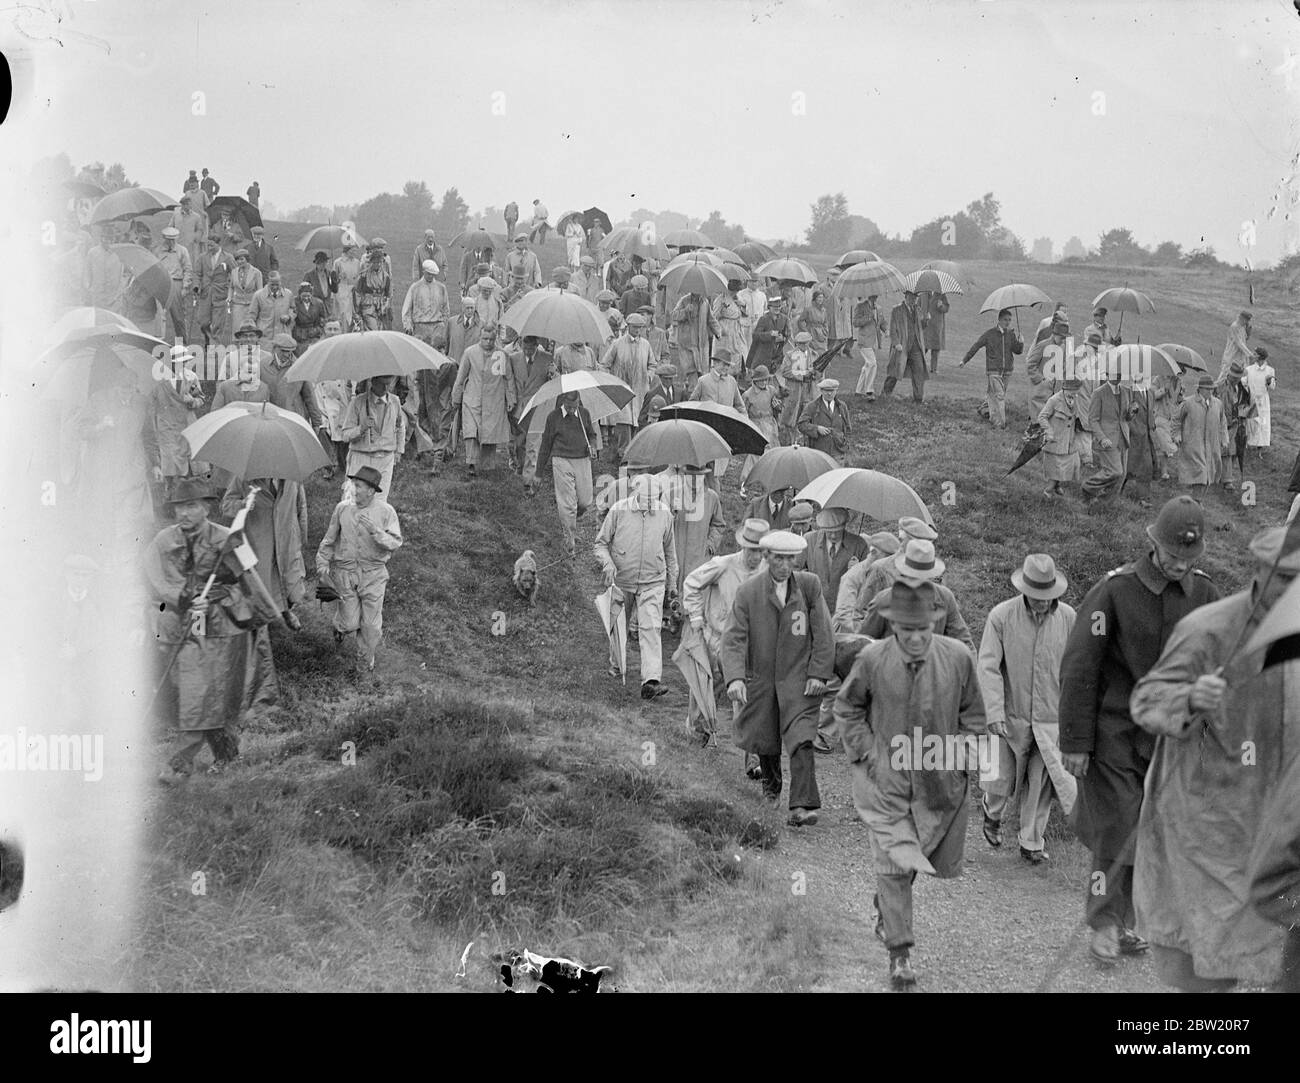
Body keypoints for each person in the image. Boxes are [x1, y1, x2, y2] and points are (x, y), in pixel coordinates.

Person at [1129, 524, 1299, 991]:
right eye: (1286, 579)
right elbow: (1148, 699)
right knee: (1207, 974)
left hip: (1280, 835)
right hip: (1208, 835)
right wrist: (1187, 697)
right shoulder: (1208, 630)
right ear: (1261, 575)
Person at [1058, 495, 1221, 966]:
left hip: (1172, 742)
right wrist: (1074, 742)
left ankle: (1124, 921)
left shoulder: (1206, 595)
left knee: (1149, 833)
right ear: (1152, 544)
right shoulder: (1113, 592)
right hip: (1114, 734)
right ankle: (1104, 924)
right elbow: (1079, 669)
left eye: (1187, 558)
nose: (1177, 565)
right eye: (1171, 554)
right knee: (1119, 828)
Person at [834, 580, 988, 988]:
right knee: (893, 863)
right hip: (887, 780)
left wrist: (964, 757)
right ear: (894, 626)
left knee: (918, 855)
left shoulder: (958, 658)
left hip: (939, 781)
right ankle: (899, 954)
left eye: (924, 629)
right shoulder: (871, 659)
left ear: (935, 623)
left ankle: (886, 908)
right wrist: (867, 752)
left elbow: (974, 715)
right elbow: (847, 707)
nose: (917, 638)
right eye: (907, 630)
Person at [146, 477, 280, 782]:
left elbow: (250, 588)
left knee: (208, 695)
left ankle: (180, 765)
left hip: (222, 632)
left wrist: (217, 599)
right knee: (198, 696)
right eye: (179, 507)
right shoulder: (163, 542)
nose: (184, 513)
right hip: (182, 627)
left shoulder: (229, 539)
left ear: (206, 508)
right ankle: (226, 755)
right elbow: (155, 581)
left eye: (191, 506)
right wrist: (184, 597)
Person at [722, 529, 834, 827]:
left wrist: (819, 672)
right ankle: (770, 793)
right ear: (766, 557)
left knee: (801, 739)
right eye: (778, 559)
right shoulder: (749, 592)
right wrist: (734, 678)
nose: (785, 566)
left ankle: (802, 805)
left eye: (790, 559)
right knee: (766, 740)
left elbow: (824, 632)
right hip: (763, 680)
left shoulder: (809, 586)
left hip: (800, 680)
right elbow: (733, 638)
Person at [976, 554, 1077, 864]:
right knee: (999, 779)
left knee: (1041, 781)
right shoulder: (1001, 616)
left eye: (1049, 597)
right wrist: (993, 712)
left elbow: (1077, 668)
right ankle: (991, 812)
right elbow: (988, 666)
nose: (1044, 602)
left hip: (1049, 720)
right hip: (1009, 715)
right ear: (1025, 591)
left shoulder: (1069, 618)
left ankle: (1031, 841)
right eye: (1037, 597)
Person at [681, 518, 770, 749]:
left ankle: (749, 748)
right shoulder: (723, 565)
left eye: (761, 552)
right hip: (717, 638)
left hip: (748, 641)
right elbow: (691, 583)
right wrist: (696, 616)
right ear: (743, 547)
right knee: (707, 685)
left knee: (745, 690)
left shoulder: (767, 570)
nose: (756, 557)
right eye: (753, 551)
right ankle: (696, 733)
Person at [593, 474, 679, 699]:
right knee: (618, 625)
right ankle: (617, 665)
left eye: (654, 499)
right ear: (636, 494)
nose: (650, 503)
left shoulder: (664, 514)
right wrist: (608, 563)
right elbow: (600, 544)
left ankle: (651, 681)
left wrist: (672, 583)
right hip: (623, 578)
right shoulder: (619, 511)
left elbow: (671, 553)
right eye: (646, 499)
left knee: (651, 628)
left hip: (653, 580)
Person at [316, 465, 403, 674]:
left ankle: (364, 666)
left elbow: (395, 542)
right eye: (353, 485)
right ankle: (339, 627)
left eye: (359, 486)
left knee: (371, 626)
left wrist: (377, 532)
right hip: (346, 574)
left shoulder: (386, 512)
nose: (354, 490)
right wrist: (322, 566)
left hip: (374, 575)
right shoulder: (342, 509)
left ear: (371, 491)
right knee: (349, 623)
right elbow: (329, 540)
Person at [221, 474, 308, 631]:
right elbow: (225, 505)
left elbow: (301, 506)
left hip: (286, 540)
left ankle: (286, 611)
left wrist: (301, 535)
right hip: (260, 542)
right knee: (262, 585)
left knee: (290, 584)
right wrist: (242, 504)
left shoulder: (292, 476)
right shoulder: (244, 477)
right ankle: (261, 626)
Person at [856, 540, 974, 650]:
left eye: (923, 577)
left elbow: (963, 642)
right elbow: (862, 643)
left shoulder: (944, 597)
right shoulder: (883, 600)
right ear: (902, 573)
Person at [536, 391, 598, 556]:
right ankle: (569, 544)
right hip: (561, 460)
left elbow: (592, 434)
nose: (572, 410)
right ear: (563, 402)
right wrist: (538, 473)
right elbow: (545, 445)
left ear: (579, 401)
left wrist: (592, 445)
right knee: (567, 506)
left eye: (575, 406)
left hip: (582, 460)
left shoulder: (584, 414)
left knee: (585, 502)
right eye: (569, 407)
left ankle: (570, 523)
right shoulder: (553, 417)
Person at [452, 323, 515, 475]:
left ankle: (488, 466)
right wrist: (456, 397)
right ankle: (471, 463)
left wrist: (511, 399)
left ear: (495, 339)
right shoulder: (469, 353)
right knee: (471, 431)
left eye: (491, 339)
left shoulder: (501, 355)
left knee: (489, 432)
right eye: (485, 339)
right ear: (480, 337)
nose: (488, 342)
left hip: (494, 399)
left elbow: (509, 379)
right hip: (472, 398)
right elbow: (461, 377)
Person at [340, 375, 406, 499]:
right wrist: (361, 428)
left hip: (385, 458)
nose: (386, 388)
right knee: (354, 500)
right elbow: (345, 435)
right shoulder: (358, 402)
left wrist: (399, 450)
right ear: (373, 382)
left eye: (389, 384)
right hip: (361, 457)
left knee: (379, 502)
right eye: (382, 384)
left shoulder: (395, 401)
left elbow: (400, 426)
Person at [959, 308, 1023, 429]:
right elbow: (976, 346)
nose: (1007, 322)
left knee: (994, 395)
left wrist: (1021, 343)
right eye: (1005, 320)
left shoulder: (1011, 334)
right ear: (999, 320)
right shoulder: (990, 334)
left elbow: (1017, 351)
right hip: (993, 370)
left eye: (1009, 320)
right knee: (999, 396)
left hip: (1007, 371)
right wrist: (964, 360)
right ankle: (1000, 423)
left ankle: (984, 409)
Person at [508, 335, 555, 492]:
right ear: (521, 346)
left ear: (537, 346)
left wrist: (552, 375)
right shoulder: (513, 359)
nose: (527, 351)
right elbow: (509, 381)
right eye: (525, 348)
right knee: (520, 443)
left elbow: (553, 382)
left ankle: (528, 482)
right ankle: (521, 466)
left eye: (531, 348)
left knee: (533, 445)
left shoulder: (547, 358)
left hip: (537, 407)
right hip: (519, 409)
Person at [831, 532, 901, 633]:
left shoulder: (881, 572)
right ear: (874, 552)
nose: (890, 562)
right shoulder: (853, 575)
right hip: (847, 633)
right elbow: (844, 616)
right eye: (888, 557)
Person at [1175, 372, 1228, 499]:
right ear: (1200, 389)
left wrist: (1224, 438)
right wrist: (1177, 435)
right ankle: (1196, 501)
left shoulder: (1218, 404)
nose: (1210, 392)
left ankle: (1197, 500)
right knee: (1201, 472)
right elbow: (1176, 420)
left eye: (1212, 389)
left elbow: (1223, 423)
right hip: (1194, 444)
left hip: (1212, 444)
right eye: (1207, 389)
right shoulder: (1188, 403)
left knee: (1209, 474)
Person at [1082, 365, 1130, 504]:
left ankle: (1104, 503)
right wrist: (1102, 438)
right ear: (1108, 374)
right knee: (1115, 471)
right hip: (1107, 439)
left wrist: (1131, 413)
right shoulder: (1099, 393)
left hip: (1123, 438)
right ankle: (1088, 487)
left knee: (1122, 475)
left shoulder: (1126, 391)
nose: (1118, 376)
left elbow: (1125, 418)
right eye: (1115, 373)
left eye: (1120, 373)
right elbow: (1093, 419)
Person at [312, 321, 352, 476]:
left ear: (341, 330)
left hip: (342, 394)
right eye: (330, 329)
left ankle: (344, 464)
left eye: (336, 329)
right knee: (323, 427)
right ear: (324, 330)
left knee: (343, 427)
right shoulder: (316, 349)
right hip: (321, 392)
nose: (333, 332)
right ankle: (328, 465)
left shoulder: (347, 350)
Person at [1216, 360, 1254, 492]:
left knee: (1233, 451)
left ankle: (1226, 478)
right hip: (1222, 424)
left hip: (1237, 424)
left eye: (1238, 378)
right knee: (1224, 451)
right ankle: (1225, 479)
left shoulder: (1242, 387)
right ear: (1230, 376)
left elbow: (1248, 405)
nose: (1237, 380)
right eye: (1235, 378)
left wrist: (1242, 416)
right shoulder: (1219, 386)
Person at [739, 366, 781, 489]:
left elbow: (777, 406)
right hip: (756, 425)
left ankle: (773, 480)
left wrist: (777, 406)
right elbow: (742, 412)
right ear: (755, 380)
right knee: (755, 454)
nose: (764, 382)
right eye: (761, 380)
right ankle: (744, 481)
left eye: (766, 380)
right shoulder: (747, 395)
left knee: (774, 452)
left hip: (770, 425)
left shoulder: (771, 390)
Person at [672, 290, 720, 396]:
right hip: (687, 345)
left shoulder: (705, 302)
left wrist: (718, 331)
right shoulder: (684, 301)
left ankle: (703, 400)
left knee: (703, 375)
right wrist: (685, 311)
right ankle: (692, 400)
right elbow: (674, 315)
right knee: (691, 372)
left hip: (702, 344)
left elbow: (711, 319)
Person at [885, 289, 928, 401]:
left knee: (919, 372)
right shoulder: (897, 310)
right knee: (895, 371)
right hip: (901, 346)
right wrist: (896, 343)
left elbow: (921, 327)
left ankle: (918, 399)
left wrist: (926, 319)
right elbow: (892, 329)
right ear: (906, 296)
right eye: (911, 297)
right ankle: (885, 395)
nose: (914, 299)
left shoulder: (918, 310)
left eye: (915, 297)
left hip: (915, 347)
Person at [1124, 374, 1159, 507]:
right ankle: (1114, 490)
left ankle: (1143, 498)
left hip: (1147, 436)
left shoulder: (1150, 393)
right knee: (1127, 466)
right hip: (1132, 436)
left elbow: (1150, 412)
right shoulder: (1129, 392)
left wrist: (1152, 425)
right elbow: (1125, 415)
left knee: (1146, 465)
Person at [195, 236, 236, 348]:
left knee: (218, 323)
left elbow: (234, 273)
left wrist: (229, 287)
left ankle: (213, 346)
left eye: (211, 245)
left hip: (220, 294)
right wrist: (196, 286)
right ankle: (208, 337)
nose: (209, 247)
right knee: (202, 321)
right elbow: (197, 274)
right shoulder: (202, 257)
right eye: (208, 245)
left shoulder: (228, 257)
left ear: (219, 245)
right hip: (205, 293)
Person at [777, 329, 815, 447]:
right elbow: (785, 372)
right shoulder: (790, 355)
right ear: (796, 343)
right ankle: (790, 444)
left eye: (805, 343)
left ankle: (806, 445)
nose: (803, 346)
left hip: (809, 393)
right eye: (800, 343)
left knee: (808, 419)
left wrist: (815, 375)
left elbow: (820, 374)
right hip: (793, 393)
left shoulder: (814, 355)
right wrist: (803, 375)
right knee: (790, 420)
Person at [156, 226, 194, 342]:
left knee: (178, 316)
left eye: (173, 239)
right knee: (159, 315)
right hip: (161, 284)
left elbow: (188, 269)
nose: (171, 242)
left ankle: (181, 343)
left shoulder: (182, 250)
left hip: (176, 283)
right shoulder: (157, 250)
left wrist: (185, 286)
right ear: (164, 239)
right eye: (168, 239)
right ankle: (159, 341)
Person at [1025, 316, 1069, 418]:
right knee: (1037, 418)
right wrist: (1040, 380)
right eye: (1062, 337)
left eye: (1065, 338)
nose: (1063, 340)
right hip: (1040, 390)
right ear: (1054, 334)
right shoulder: (1042, 345)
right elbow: (1030, 364)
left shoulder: (1063, 347)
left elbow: (1063, 366)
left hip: (1055, 389)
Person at [798, 377, 851, 461]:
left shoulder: (842, 406)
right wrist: (817, 428)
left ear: (836, 391)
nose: (829, 394)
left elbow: (848, 428)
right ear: (821, 391)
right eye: (826, 391)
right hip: (819, 452)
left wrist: (844, 444)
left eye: (832, 391)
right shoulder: (812, 406)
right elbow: (801, 425)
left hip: (838, 452)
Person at [1244, 347, 1275, 465]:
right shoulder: (1249, 369)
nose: (1253, 355)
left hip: (1263, 402)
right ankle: (1247, 446)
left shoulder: (1270, 370)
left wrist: (1268, 381)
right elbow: (1244, 381)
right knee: (1250, 423)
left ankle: (1259, 451)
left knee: (1263, 425)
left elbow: (1272, 386)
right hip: (1251, 399)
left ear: (1260, 356)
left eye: (1255, 354)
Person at [851, 294, 884, 401]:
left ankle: (858, 391)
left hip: (873, 342)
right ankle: (869, 391)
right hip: (864, 341)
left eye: (876, 295)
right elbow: (855, 322)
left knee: (867, 366)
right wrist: (868, 318)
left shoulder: (878, 308)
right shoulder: (860, 307)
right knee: (872, 363)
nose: (875, 297)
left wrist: (886, 330)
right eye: (873, 295)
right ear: (869, 295)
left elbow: (882, 322)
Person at [746, 294, 788, 380]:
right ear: (769, 307)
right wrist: (770, 334)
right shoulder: (764, 319)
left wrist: (783, 338)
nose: (777, 309)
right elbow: (755, 335)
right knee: (760, 376)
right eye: (775, 307)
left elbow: (788, 334)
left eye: (779, 306)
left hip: (777, 355)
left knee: (775, 379)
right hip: (763, 354)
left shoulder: (784, 319)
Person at [83, 224, 124, 310]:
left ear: (114, 239)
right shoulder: (92, 252)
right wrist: (89, 289)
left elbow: (120, 276)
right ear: (101, 237)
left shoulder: (119, 254)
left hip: (113, 298)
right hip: (97, 296)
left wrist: (117, 295)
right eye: (105, 238)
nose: (107, 241)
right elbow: (87, 273)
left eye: (110, 238)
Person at [355, 246, 393, 330]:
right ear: (371, 262)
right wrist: (357, 310)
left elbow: (389, 294)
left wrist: (386, 306)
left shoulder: (386, 276)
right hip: (368, 307)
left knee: (383, 330)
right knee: (373, 329)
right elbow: (357, 293)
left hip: (382, 308)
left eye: (380, 262)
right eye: (375, 262)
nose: (378, 264)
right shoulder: (363, 276)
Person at [228, 249, 263, 335]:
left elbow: (260, 291)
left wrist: (258, 304)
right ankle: (238, 347)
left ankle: (251, 347)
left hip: (251, 305)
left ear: (247, 259)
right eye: (237, 260)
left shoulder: (256, 272)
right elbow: (231, 287)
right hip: (238, 304)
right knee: (237, 329)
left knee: (251, 329)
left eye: (241, 259)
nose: (239, 262)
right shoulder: (234, 272)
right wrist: (229, 297)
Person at [248, 270, 292, 339]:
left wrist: (289, 317)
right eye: (272, 284)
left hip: (283, 335)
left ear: (281, 282)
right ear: (267, 282)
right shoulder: (258, 295)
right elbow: (252, 315)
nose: (275, 287)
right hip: (264, 336)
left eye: (277, 284)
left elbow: (293, 309)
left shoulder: (288, 294)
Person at [169, 193, 209, 266]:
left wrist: (196, 238)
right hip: (178, 244)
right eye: (187, 204)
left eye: (190, 204)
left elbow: (200, 229)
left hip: (191, 246)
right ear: (183, 205)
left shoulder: (196, 216)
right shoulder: (176, 215)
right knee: (177, 264)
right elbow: (170, 228)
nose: (190, 206)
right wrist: (172, 241)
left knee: (190, 264)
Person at [290, 280, 327, 356]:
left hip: (314, 335)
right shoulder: (294, 302)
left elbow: (323, 319)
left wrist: (318, 329)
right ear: (299, 294)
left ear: (311, 294)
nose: (306, 298)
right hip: (299, 336)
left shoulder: (318, 303)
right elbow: (291, 318)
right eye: (303, 296)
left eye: (308, 296)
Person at [921, 289, 949, 374]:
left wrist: (941, 306)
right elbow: (918, 307)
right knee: (923, 347)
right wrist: (923, 315)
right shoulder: (924, 294)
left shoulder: (941, 294)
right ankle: (917, 365)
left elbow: (946, 308)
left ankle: (934, 369)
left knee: (936, 349)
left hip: (937, 325)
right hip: (926, 324)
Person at [1220, 310, 1254, 378]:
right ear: (1242, 318)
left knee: (1239, 376)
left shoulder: (1242, 326)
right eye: (1247, 320)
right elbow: (1239, 343)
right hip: (1231, 356)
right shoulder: (1235, 326)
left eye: (1248, 320)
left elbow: (1244, 340)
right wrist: (1250, 355)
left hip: (1239, 357)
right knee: (1225, 375)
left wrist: (1248, 333)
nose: (1247, 322)